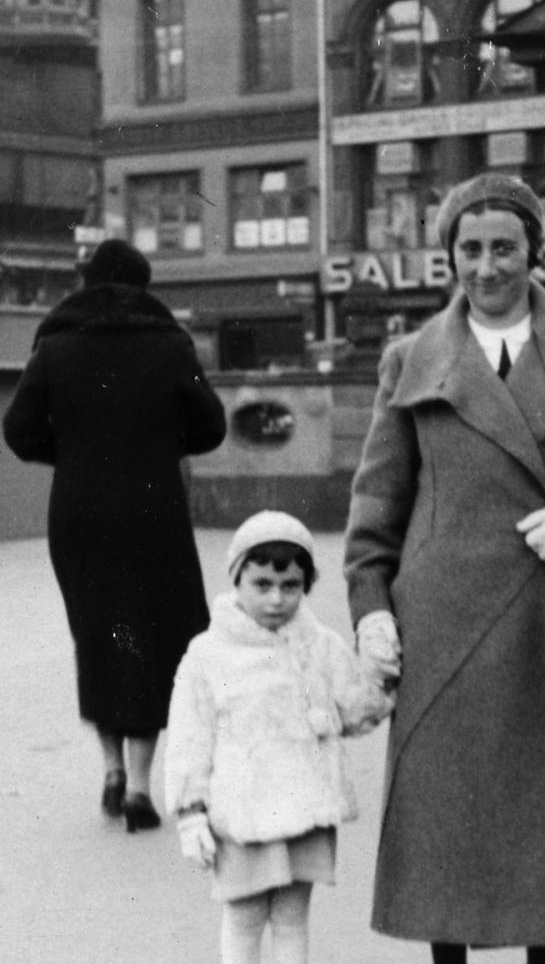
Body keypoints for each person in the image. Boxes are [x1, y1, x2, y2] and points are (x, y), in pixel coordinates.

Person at [343, 172, 545, 964]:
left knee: (544, 828)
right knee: (445, 825)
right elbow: (375, 505)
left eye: (504, 248)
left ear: (537, 254)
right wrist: (372, 610)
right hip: (441, 625)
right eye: (469, 249)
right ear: (449, 256)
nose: (486, 267)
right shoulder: (410, 358)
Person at [2, 239, 226, 831]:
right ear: (143, 286)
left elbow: (19, 430)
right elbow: (212, 426)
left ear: (88, 283)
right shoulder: (171, 344)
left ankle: (110, 768)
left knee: (100, 632)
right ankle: (142, 786)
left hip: (80, 513)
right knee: (148, 635)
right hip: (153, 509)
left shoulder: (53, 345)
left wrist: (73, 457)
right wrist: (160, 445)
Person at [164, 510, 397, 964]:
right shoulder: (208, 655)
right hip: (242, 816)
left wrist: (379, 674)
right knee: (244, 920)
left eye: (290, 586)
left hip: (306, 811)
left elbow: (354, 710)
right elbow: (189, 738)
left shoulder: (319, 644)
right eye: (262, 585)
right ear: (237, 580)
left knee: (292, 919)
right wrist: (191, 812)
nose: (276, 599)